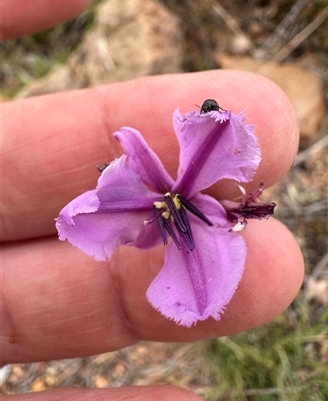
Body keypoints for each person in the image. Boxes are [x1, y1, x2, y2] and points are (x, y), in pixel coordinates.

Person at [1, 0, 304, 399]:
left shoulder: (210, 145)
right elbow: (80, 216)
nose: (171, 206)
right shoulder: (154, 196)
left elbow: (218, 124)